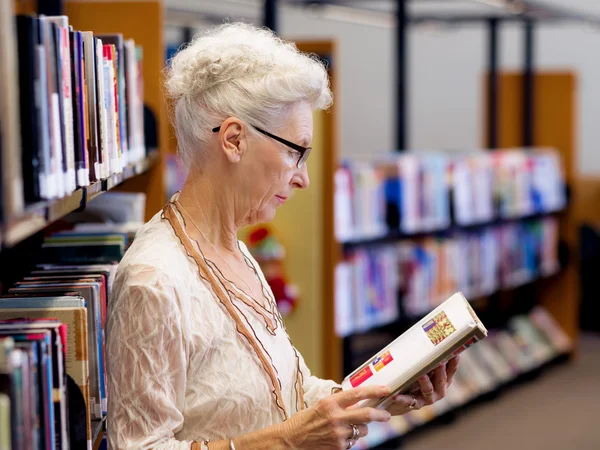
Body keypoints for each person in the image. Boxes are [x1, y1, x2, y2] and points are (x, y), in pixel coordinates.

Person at [106, 23, 459, 450]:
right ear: (234, 140)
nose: (303, 179)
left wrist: (381, 395)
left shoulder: (234, 250)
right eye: (296, 151)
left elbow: (287, 389)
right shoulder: (155, 281)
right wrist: (289, 440)